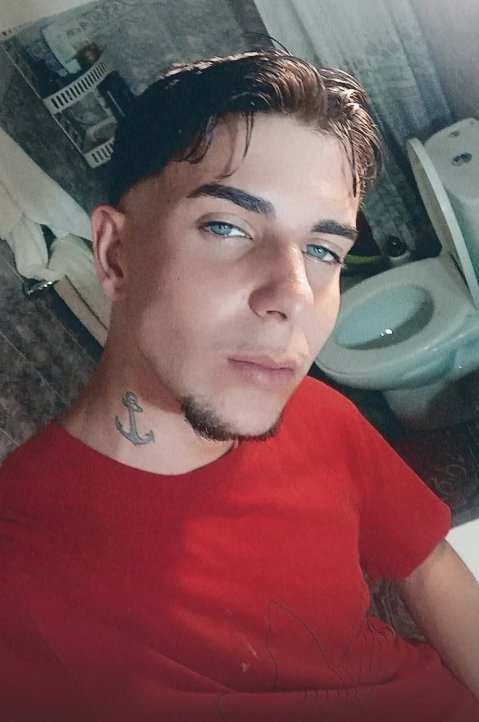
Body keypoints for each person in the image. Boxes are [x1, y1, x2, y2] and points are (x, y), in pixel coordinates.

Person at [0, 49, 478, 722]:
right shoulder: (21, 564)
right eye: (226, 226)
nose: (292, 295)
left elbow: (425, 564)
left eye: (322, 250)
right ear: (114, 254)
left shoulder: (320, 414)